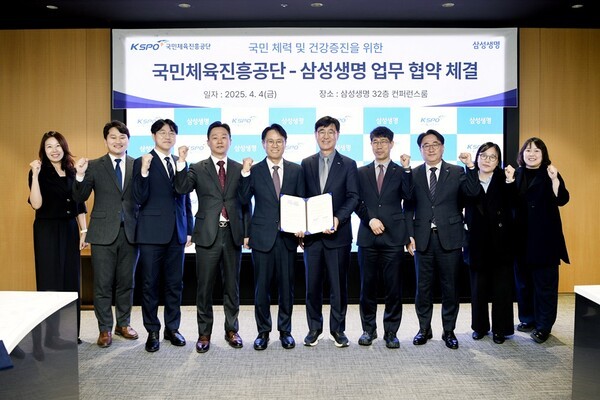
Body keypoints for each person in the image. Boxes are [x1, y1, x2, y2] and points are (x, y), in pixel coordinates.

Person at [174, 121, 249, 353]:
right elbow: (181, 188)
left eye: (224, 136)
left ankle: (232, 330)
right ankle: (204, 333)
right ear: (208, 142)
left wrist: (247, 232)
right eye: (214, 137)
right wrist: (181, 162)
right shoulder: (197, 168)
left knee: (232, 286)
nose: (219, 140)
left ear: (230, 141)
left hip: (232, 233)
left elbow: (245, 202)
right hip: (207, 234)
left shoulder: (239, 168)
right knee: (204, 287)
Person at [405, 129, 479, 350]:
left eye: (435, 144)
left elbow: (472, 193)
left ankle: (449, 331)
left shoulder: (456, 171)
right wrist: (408, 236)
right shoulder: (413, 173)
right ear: (420, 149)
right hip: (422, 238)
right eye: (426, 145)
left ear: (443, 147)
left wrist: (471, 167)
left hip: (451, 237)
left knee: (451, 288)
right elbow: (408, 206)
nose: (431, 148)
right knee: (423, 288)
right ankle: (424, 329)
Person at [72, 120, 140, 348]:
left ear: (128, 140)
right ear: (105, 140)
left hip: (131, 232)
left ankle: (123, 324)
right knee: (102, 284)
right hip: (102, 233)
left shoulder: (137, 165)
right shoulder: (93, 166)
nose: (118, 141)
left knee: (127, 282)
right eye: (113, 137)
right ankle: (104, 329)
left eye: (122, 137)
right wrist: (79, 175)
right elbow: (79, 197)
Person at [238, 123, 305, 350]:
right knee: (262, 288)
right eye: (270, 141)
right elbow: (243, 200)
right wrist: (245, 173)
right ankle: (263, 331)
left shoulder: (296, 170)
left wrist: (302, 228)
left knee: (287, 288)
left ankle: (285, 331)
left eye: (279, 141)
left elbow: (302, 202)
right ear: (263, 144)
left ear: (285, 143)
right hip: (261, 237)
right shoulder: (254, 170)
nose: (275, 145)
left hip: (288, 237)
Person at [132, 119, 193, 353]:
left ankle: (172, 328)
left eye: (171, 133)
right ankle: (152, 331)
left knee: (175, 284)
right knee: (150, 284)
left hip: (177, 232)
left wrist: (189, 228)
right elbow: (138, 197)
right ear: (153, 136)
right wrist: (144, 172)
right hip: (151, 233)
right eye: (162, 132)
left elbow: (184, 196)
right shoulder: (142, 161)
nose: (167, 136)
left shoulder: (180, 162)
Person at [300, 116, 359, 347]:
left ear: (337, 135)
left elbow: (353, 197)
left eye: (331, 131)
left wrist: (337, 218)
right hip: (312, 237)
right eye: (322, 131)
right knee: (312, 286)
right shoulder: (306, 163)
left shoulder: (349, 164)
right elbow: (301, 197)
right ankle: (314, 328)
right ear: (316, 135)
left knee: (338, 287)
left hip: (338, 235)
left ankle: (338, 329)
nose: (326, 136)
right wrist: (301, 225)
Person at [505, 137, 569, 344]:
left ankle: (543, 326)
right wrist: (509, 182)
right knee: (523, 284)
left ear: (543, 155)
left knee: (545, 286)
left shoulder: (550, 173)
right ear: (522, 154)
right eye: (528, 150)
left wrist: (555, 180)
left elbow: (562, 199)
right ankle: (528, 319)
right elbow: (509, 204)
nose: (531, 154)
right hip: (520, 240)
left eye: (536, 151)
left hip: (545, 241)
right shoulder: (516, 173)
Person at [355, 126, 413, 349]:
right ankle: (368, 330)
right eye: (375, 142)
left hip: (393, 237)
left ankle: (391, 332)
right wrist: (369, 219)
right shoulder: (361, 172)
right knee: (367, 288)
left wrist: (407, 170)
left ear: (391, 144)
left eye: (383, 142)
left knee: (393, 288)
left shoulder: (400, 171)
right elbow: (356, 201)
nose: (379, 146)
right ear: (370, 144)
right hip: (367, 236)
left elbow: (409, 197)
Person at [28, 131, 87, 348]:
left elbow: (79, 203)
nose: (54, 150)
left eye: (57, 146)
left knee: (71, 281)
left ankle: (71, 334)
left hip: (70, 228)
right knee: (50, 281)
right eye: (49, 146)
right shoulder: (38, 171)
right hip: (47, 230)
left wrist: (84, 231)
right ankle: (50, 336)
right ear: (43, 151)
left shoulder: (72, 170)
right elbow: (36, 204)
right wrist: (35, 176)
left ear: (64, 147)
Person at [462, 142, 514, 345]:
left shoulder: (505, 177)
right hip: (476, 240)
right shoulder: (469, 176)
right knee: (478, 288)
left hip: (501, 241)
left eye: (492, 157)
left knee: (502, 289)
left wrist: (510, 181)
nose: (487, 160)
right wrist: (470, 170)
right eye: (483, 155)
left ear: (498, 161)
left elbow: (513, 203)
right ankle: (480, 327)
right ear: (477, 158)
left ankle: (501, 329)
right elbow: (471, 194)